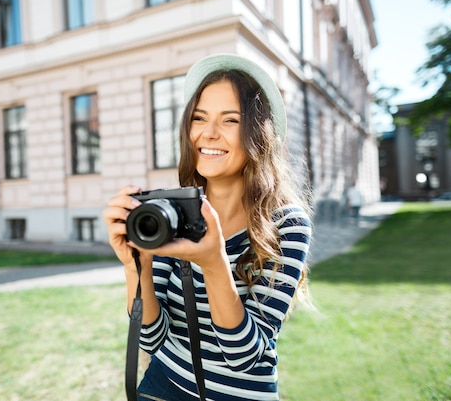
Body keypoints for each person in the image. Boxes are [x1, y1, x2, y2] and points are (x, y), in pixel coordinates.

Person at [103, 53, 313, 401]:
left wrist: (214, 263)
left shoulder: (286, 224)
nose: (209, 133)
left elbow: (244, 357)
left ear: (259, 134)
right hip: (161, 386)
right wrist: (135, 267)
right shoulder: (175, 213)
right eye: (199, 118)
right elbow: (152, 339)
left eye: (230, 120)